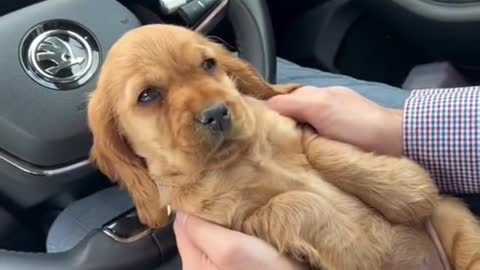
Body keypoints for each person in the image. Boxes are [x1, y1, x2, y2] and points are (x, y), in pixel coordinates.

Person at [47, 59, 479, 270]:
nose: (209, 106)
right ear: (120, 143)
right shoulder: (194, 195)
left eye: (208, 65)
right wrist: (395, 130)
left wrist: (365, 166)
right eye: (148, 96)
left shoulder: (260, 117)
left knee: (70, 226)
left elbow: (306, 148)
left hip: (442, 242)